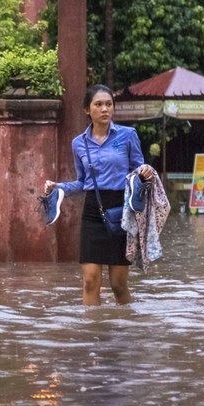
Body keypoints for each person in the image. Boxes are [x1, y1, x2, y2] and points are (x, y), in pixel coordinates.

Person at [43, 85, 154, 305]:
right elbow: (83, 182)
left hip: (123, 212)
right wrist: (59, 187)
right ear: (87, 109)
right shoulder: (79, 143)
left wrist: (145, 172)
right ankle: (92, 331)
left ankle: (125, 328)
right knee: (90, 281)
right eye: (98, 104)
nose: (104, 109)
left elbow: (139, 170)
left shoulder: (128, 136)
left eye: (108, 104)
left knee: (118, 285)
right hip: (93, 211)